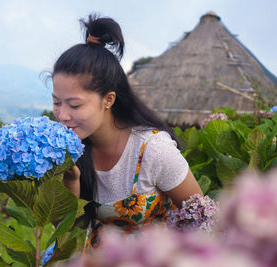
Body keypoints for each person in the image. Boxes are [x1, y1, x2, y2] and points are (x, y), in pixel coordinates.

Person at [50, 14, 203, 249]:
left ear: (108, 99)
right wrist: (70, 180)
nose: (62, 115)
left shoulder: (153, 149)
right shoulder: (72, 147)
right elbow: (66, 229)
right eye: (56, 102)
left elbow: (201, 218)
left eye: (75, 105)